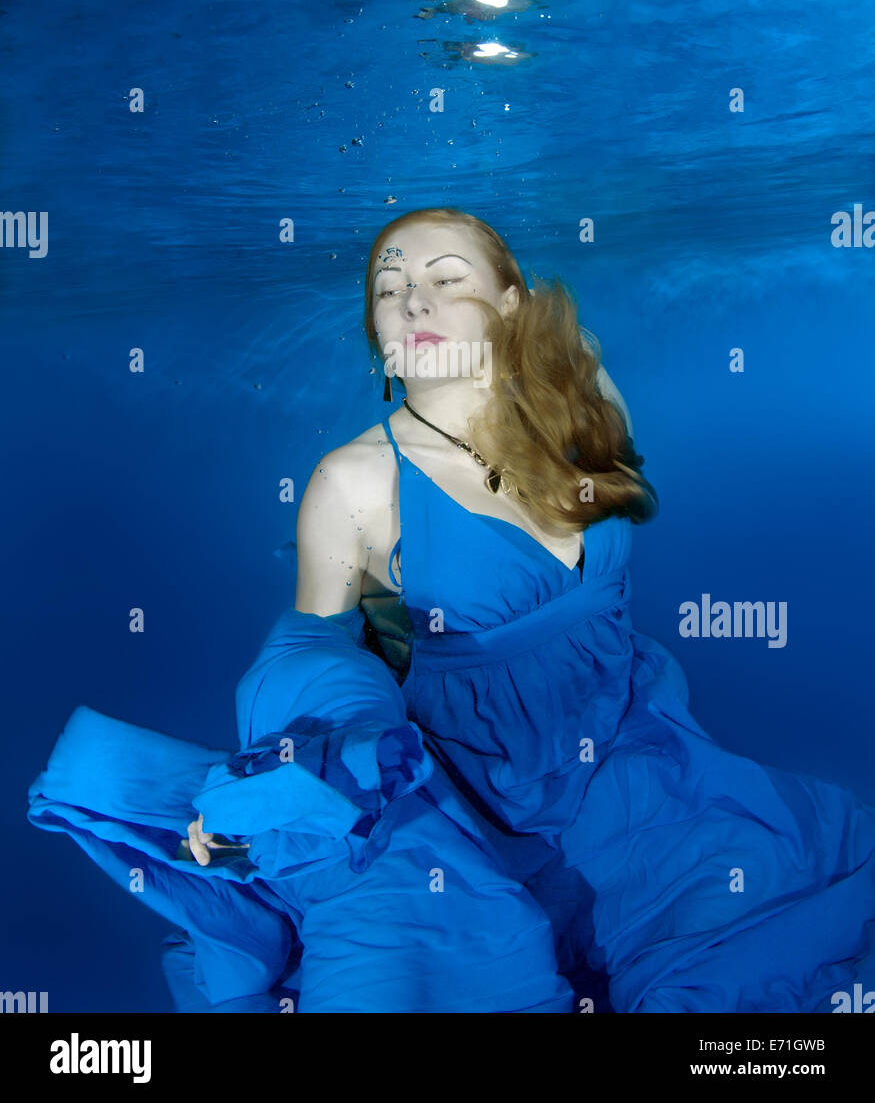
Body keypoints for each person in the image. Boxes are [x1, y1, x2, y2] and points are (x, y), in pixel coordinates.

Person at [27, 206, 875, 1012]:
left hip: (644, 759)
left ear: (510, 306)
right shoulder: (352, 481)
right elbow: (310, 654)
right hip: (487, 796)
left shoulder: (586, 407)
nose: (412, 301)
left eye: (445, 280)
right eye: (388, 290)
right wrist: (287, 775)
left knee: (776, 949)